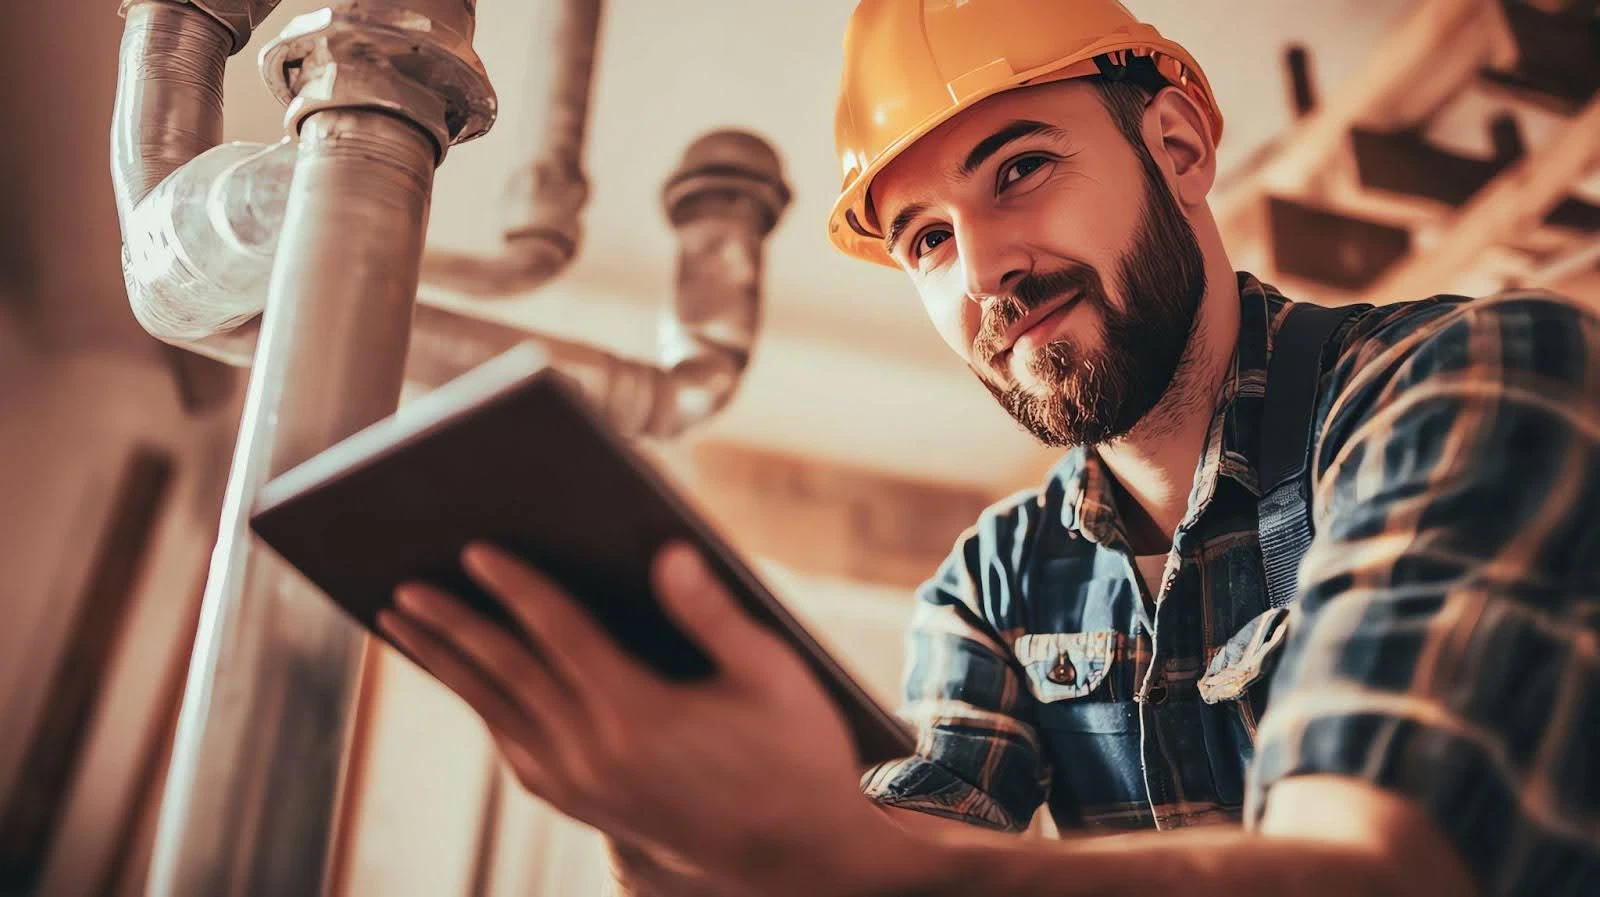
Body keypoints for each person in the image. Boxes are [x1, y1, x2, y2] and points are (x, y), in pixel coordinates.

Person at [374, 1, 1600, 895]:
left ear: (1177, 147)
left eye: (1019, 170)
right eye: (924, 243)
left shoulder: (1460, 382)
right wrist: (679, 832)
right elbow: (926, 832)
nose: (986, 273)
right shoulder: (997, 581)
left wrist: (823, 853)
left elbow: (1382, 874)